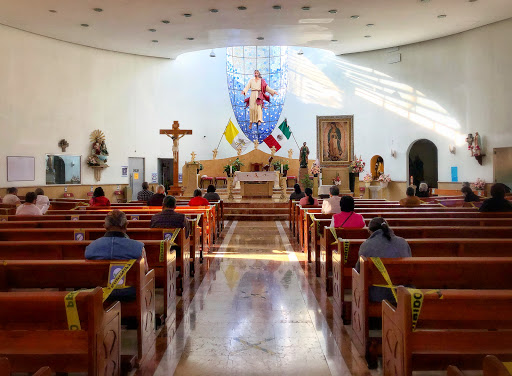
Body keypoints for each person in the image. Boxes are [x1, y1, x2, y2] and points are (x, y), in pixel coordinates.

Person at [85, 210, 147, 300]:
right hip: (129, 293)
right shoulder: (139, 247)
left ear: (105, 227)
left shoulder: (90, 248)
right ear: (126, 225)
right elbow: (145, 271)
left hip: (98, 292)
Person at [355, 217, 412, 303]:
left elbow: (359, 270)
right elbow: (409, 264)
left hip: (378, 295)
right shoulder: (403, 242)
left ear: (370, 231)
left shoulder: (366, 245)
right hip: (402, 291)